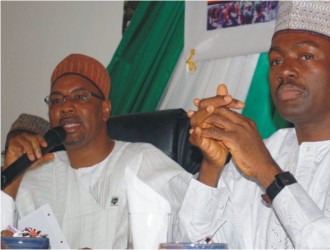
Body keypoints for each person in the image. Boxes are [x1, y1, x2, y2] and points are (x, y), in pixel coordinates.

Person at [178, 1, 330, 248]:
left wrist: (267, 171)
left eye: (306, 56)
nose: (285, 71)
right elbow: (193, 243)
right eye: (276, 61)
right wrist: (211, 167)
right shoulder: (258, 153)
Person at [2, 53, 192, 248]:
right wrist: (12, 173)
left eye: (80, 97)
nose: (66, 106)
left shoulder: (141, 161)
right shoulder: (35, 175)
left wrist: (212, 167)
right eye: (56, 100)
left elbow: (191, 228)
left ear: (105, 109)